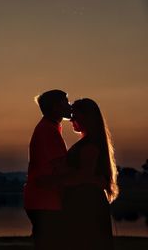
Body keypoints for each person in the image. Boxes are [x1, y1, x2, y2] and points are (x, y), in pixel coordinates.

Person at [60, 98, 118, 250]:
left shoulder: (89, 145)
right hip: (87, 203)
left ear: (85, 117)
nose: (71, 120)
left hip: (87, 205)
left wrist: (55, 181)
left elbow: (84, 176)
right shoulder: (92, 142)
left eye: (74, 116)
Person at [23, 89, 72, 250]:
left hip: (41, 200)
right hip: (45, 202)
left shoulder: (50, 127)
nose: (70, 106)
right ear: (55, 107)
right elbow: (61, 167)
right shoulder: (48, 130)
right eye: (66, 101)